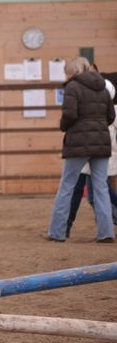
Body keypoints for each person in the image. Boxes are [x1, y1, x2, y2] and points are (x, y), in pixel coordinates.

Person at [45, 56, 115, 243]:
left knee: (67, 186)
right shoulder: (103, 87)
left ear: (73, 72)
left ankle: (57, 232)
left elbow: (69, 114)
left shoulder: (72, 88)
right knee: (101, 188)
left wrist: (63, 126)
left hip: (78, 143)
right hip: (101, 142)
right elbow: (110, 116)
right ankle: (106, 233)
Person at [65, 74, 117, 237]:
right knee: (99, 192)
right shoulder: (106, 110)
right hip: (101, 156)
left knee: (92, 193)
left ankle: (65, 226)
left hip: (91, 155)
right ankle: (104, 229)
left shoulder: (94, 109)